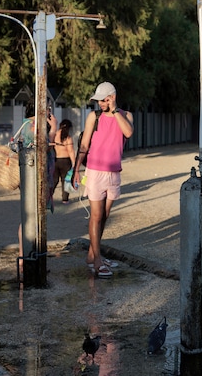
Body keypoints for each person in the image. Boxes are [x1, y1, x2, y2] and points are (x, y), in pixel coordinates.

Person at [72, 82, 134, 278]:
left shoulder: (125, 116)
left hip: (114, 172)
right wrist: (76, 169)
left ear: (112, 97)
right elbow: (84, 143)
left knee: (105, 215)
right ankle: (97, 260)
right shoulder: (93, 117)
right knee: (96, 216)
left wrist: (115, 112)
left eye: (103, 100)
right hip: (94, 172)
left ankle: (92, 255)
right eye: (98, 100)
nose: (100, 103)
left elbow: (128, 132)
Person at [17, 103, 58, 211]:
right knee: (34, 212)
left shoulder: (29, 124)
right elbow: (44, 148)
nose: (50, 112)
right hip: (36, 173)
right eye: (48, 108)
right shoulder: (34, 126)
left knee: (33, 212)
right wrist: (53, 129)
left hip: (34, 172)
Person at [51, 119, 76, 204]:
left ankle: (48, 197)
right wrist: (74, 163)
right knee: (65, 180)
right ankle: (65, 199)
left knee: (54, 180)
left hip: (55, 160)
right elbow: (71, 151)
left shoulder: (54, 135)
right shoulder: (68, 138)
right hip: (65, 161)